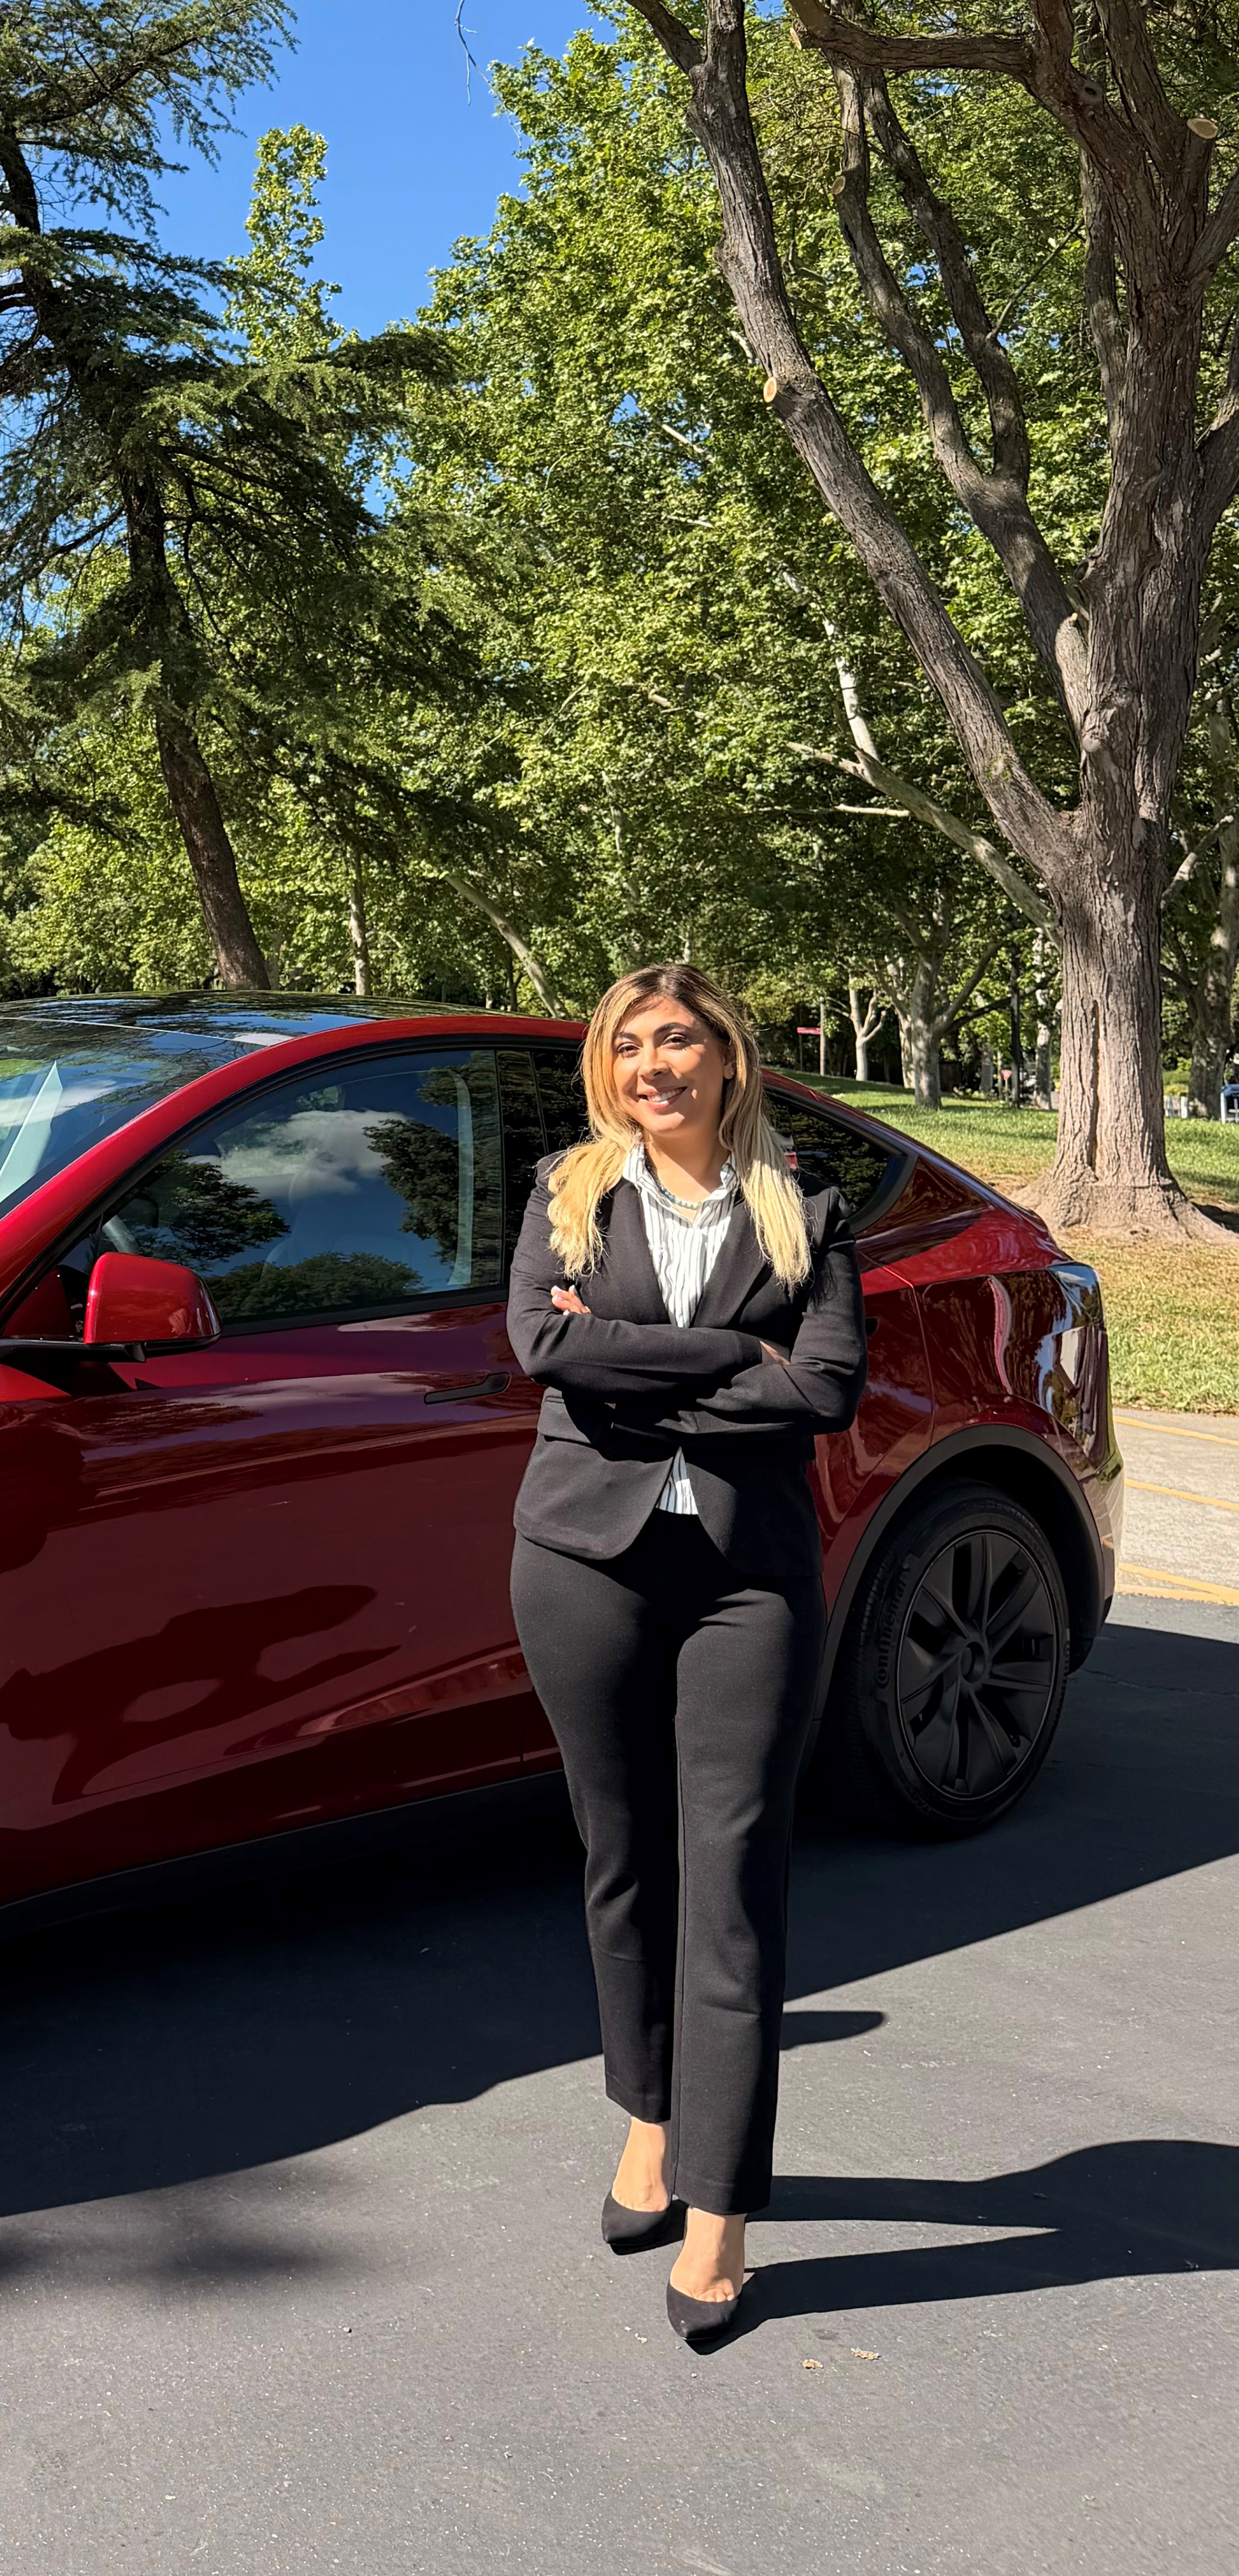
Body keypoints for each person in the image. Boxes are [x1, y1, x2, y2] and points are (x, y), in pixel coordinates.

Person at [506, 962, 867, 2348]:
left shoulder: (805, 1212)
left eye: (676, 1041)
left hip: (746, 1580)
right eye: (628, 1045)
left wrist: (633, 1354)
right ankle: (650, 2121)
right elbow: (542, 1346)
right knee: (622, 1861)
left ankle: (719, 2208)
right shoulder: (568, 1193)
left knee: (733, 1888)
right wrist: (732, 1359)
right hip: (581, 1561)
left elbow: (824, 1386)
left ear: (725, 1058)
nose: (651, 1065)